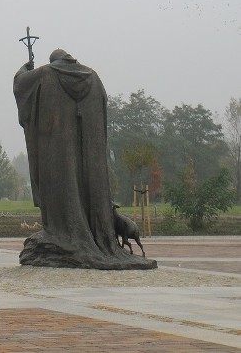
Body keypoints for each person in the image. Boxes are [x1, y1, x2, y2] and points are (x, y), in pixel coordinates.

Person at [14, 49, 157, 269]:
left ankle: (62, 233)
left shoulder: (45, 75)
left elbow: (21, 84)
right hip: (90, 156)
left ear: (54, 61)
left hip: (57, 153)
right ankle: (92, 233)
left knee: (61, 180)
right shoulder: (94, 78)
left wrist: (25, 67)